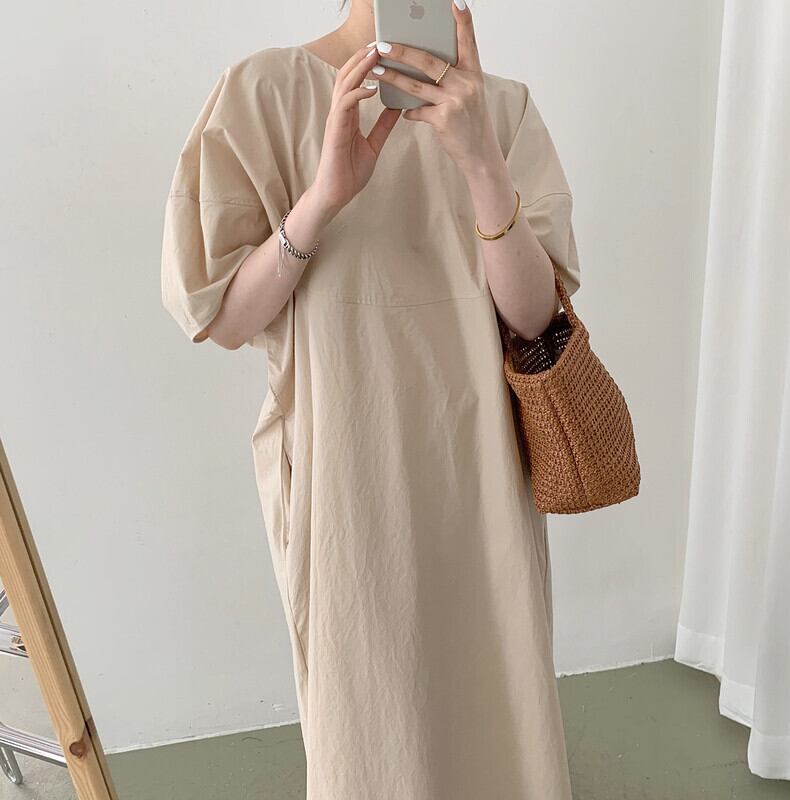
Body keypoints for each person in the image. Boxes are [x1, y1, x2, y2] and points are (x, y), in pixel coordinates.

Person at [160, 0, 580, 797]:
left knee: (500, 709)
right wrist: (324, 197)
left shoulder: (503, 109)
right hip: (344, 470)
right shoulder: (263, 92)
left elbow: (535, 319)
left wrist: (482, 165)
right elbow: (225, 320)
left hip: (485, 471)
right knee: (368, 729)